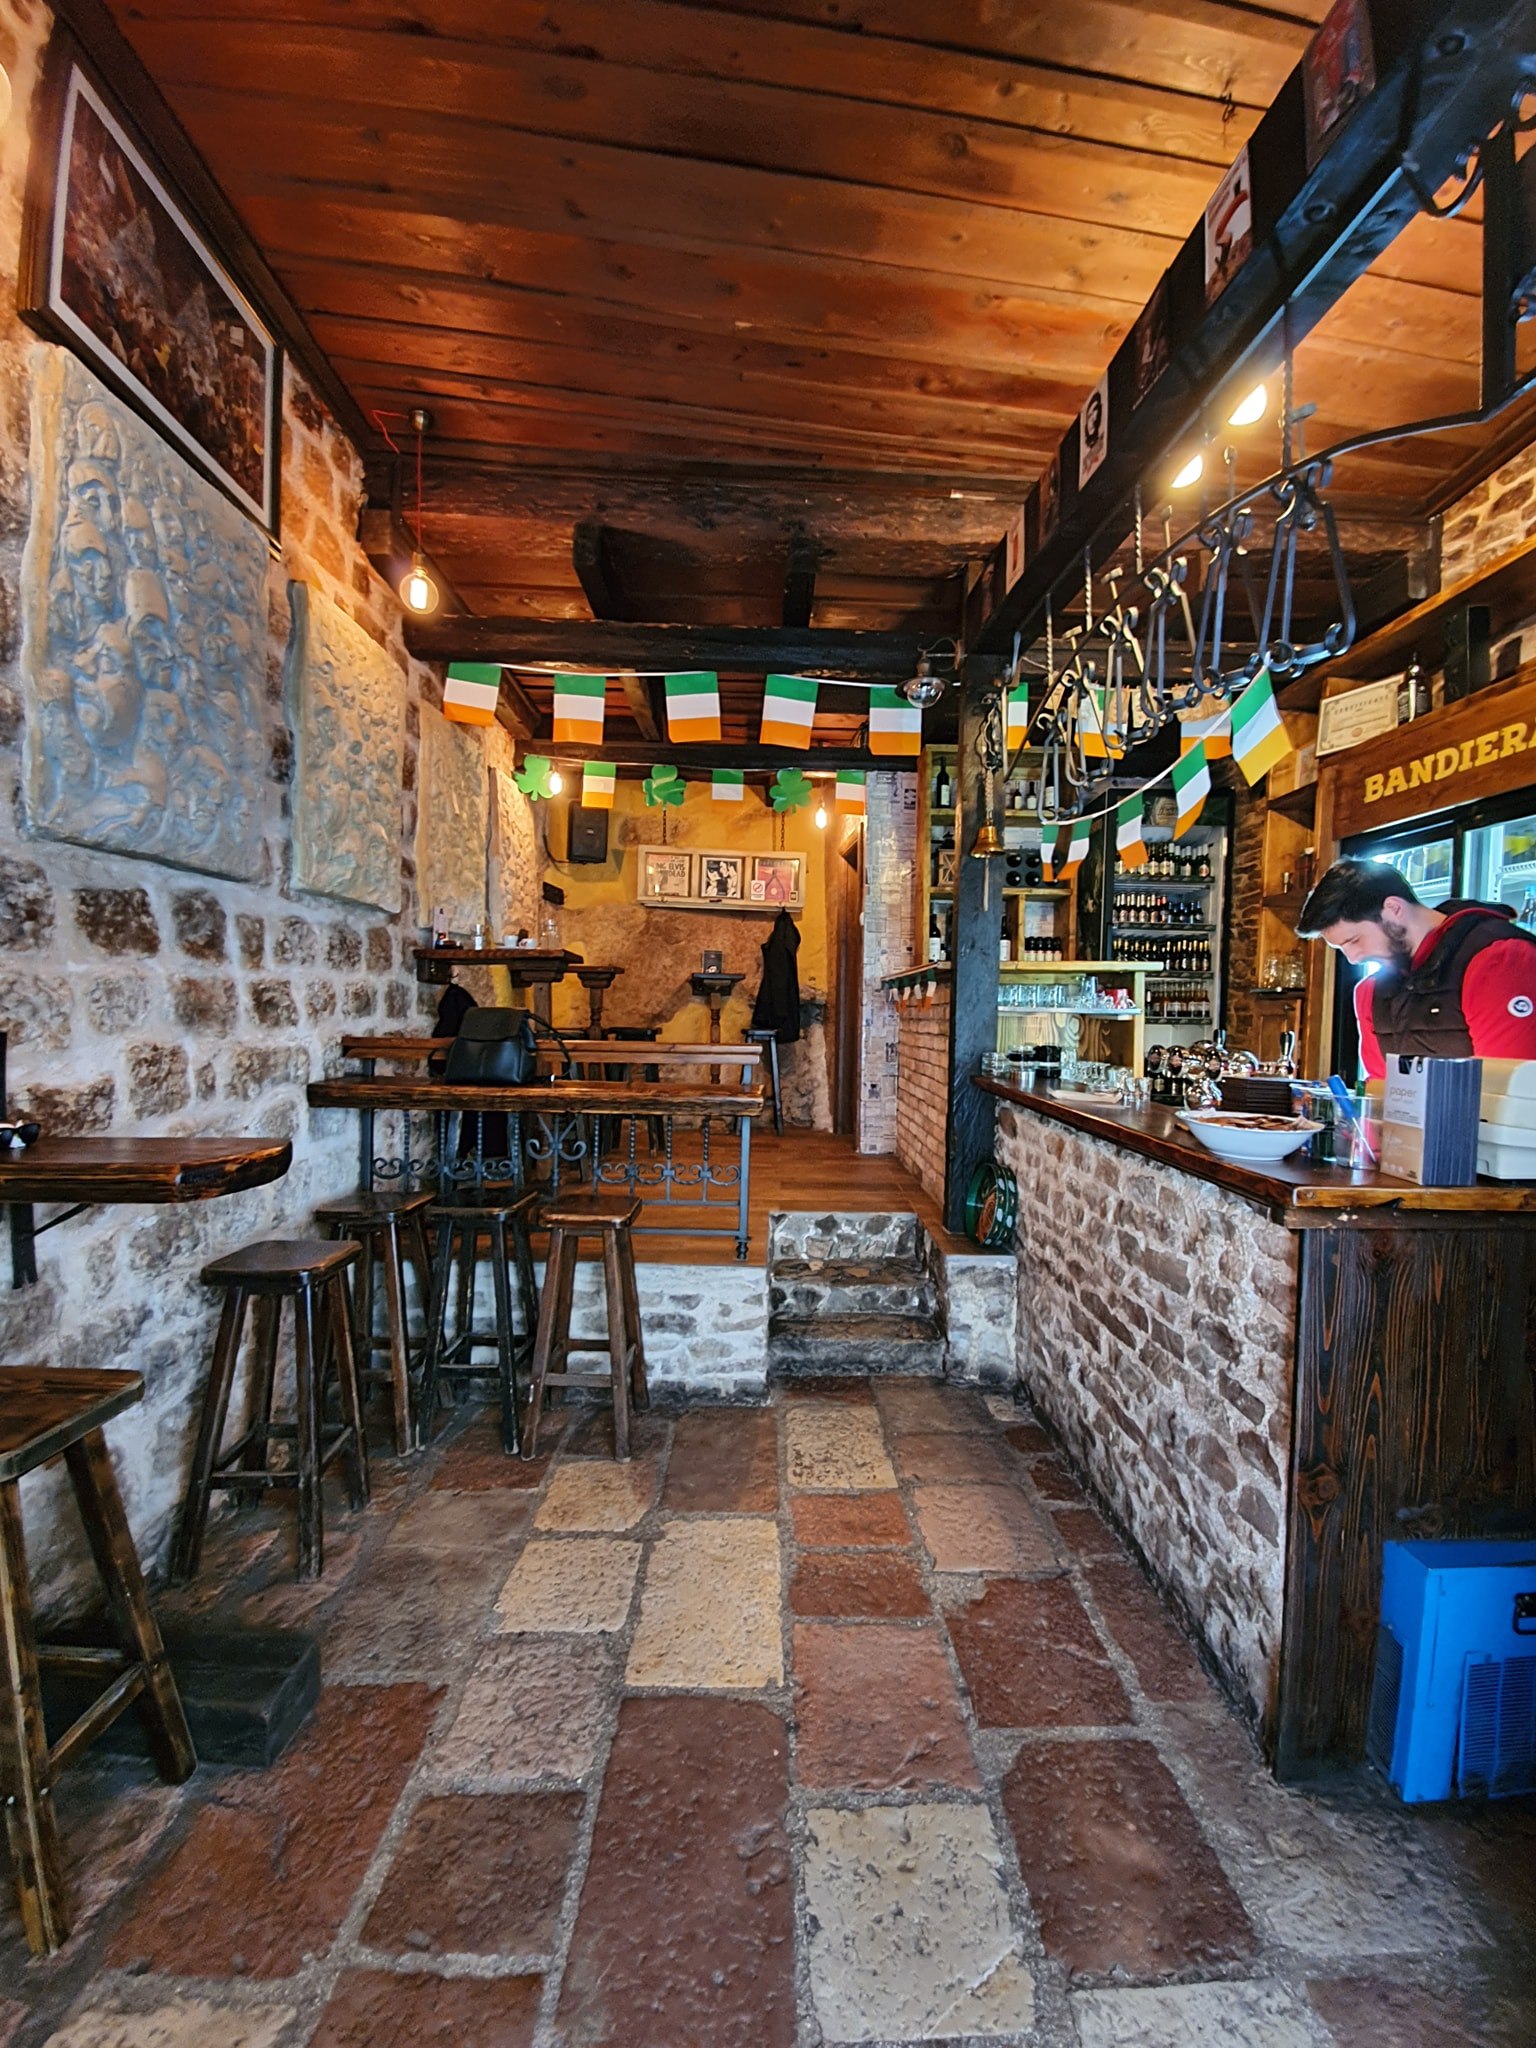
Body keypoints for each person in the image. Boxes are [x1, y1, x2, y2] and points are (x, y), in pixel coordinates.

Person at [1296, 857, 1536, 1078]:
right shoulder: (1369, 992)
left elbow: (1509, 1089)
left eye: (1354, 940)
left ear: (1394, 909)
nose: (1353, 958)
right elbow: (1381, 1090)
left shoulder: (1499, 960)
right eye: (1341, 948)